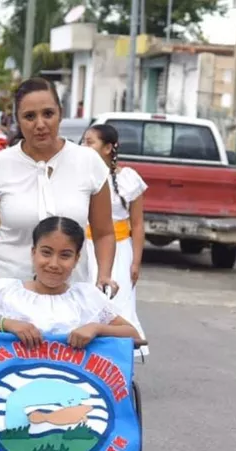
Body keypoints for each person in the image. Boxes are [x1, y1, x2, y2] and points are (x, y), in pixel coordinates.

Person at [0, 77, 118, 295]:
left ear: (60, 113)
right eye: (29, 116)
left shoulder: (89, 162)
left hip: (71, 292)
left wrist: (104, 277)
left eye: (48, 114)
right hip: (10, 291)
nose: (40, 124)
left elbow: (104, 233)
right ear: (17, 119)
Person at [0, 217, 141, 351]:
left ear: (77, 259)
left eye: (65, 255)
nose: (54, 264)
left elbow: (132, 334)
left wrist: (96, 328)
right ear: (33, 252)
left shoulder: (85, 299)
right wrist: (6, 324)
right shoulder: (7, 293)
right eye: (46, 253)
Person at [82, 124, 148, 353]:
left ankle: (118, 357)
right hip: (84, 249)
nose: (84, 147)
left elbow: (137, 224)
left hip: (119, 249)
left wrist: (136, 261)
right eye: (83, 142)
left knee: (117, 304)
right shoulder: (79, 176)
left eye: (90, 142)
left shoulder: (128, 178)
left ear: (108, 147)